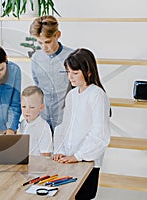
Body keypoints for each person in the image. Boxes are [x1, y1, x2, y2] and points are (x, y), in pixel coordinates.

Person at [53, 48, 111, 200]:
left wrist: (78, 156)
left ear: (88, 72)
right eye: (68, 72)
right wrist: (60, 149)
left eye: (75, 73)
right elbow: (64, 127)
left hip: (87, 162)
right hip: (70, 160)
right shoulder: (72, 95)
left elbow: (100, 135)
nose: (70, 77)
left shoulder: (97, 95)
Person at [29, 15, 74, 132]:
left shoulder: (72, 56)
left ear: (57, 35)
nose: (44, 47)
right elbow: (38, 88)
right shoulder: (35, 59)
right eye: (40, 43)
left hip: (66, 119)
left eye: (48, 42)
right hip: (43, 118)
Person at [18, 85, 53, 157]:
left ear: (41, 107)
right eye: (24, 107)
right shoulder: (21, 124)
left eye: (32, 107)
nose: (27, 110)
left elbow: (46, 155)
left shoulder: (43, 127)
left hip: (36, 165)